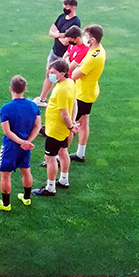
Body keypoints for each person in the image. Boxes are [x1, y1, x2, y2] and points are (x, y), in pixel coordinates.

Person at [0, 76, 41, 211]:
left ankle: (5, 204)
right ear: (25, 89)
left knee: (5, 174)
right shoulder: (33, 106)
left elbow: (7, 131)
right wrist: (27, 142)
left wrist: (21, 142)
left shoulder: (6, 108)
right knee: (26, 171)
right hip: (26, 147)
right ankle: (27, 198)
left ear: (11, 89)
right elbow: (37, 126)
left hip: (11, 146)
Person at [33, 60, 78, 197]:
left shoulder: (60, 89)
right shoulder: (70, 83)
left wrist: (71, 125)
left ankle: (50, 187)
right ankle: (64, 180)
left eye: (53, 72)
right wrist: (73, 123)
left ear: (62, 73)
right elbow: (74, 103)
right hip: (63, 129)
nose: (50, 74)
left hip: (55, 130)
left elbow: (64, 114)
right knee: (63, 152)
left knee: (50, 158)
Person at [33, 0, 80, 107]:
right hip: (54, 52)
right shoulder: (61, 17)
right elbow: (51, 31)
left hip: (63, 56)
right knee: (49, 75)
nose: (65, 9)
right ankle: (43, 98)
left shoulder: (75, 22)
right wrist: (60, 34)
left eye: (67, 7)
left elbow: (65, 42)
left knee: (59, 79)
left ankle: (57, 100)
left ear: (73, 7)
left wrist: (57, 34)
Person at [69, 25, 106, 163]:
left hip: (82, 95)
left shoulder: (93, 57)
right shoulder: (98, 50)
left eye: (85, 36)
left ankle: (61, 155)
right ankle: (80, 153)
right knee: (84, 122)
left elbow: (74, 75)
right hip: (88, 92)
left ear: (92, 39)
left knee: (71, 124)